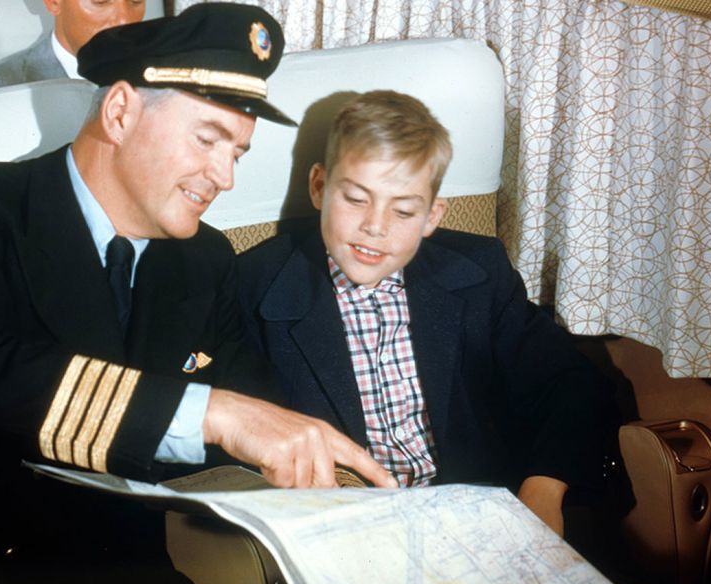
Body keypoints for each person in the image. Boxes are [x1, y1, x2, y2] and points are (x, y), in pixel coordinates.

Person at [0, 5, 394, 584]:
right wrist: (217, 414)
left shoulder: (204, 262)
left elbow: (250, 423)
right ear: (119, 112)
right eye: (207, 140)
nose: (223, 176)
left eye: (238, 153)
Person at [238, 90, 613, 536]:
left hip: (477, 515)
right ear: (319, 187)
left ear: (432, 216)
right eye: (356, 199)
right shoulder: (253, 287)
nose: (375, 226)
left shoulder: (477, 272)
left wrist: (544, 489)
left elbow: (569, 382)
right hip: (347, 529)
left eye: (403, 210)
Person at [0, 0, 145, 91]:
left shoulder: (162, 77)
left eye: (136, 0)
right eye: (100, 1)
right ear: (54, 2)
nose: (124, 20)